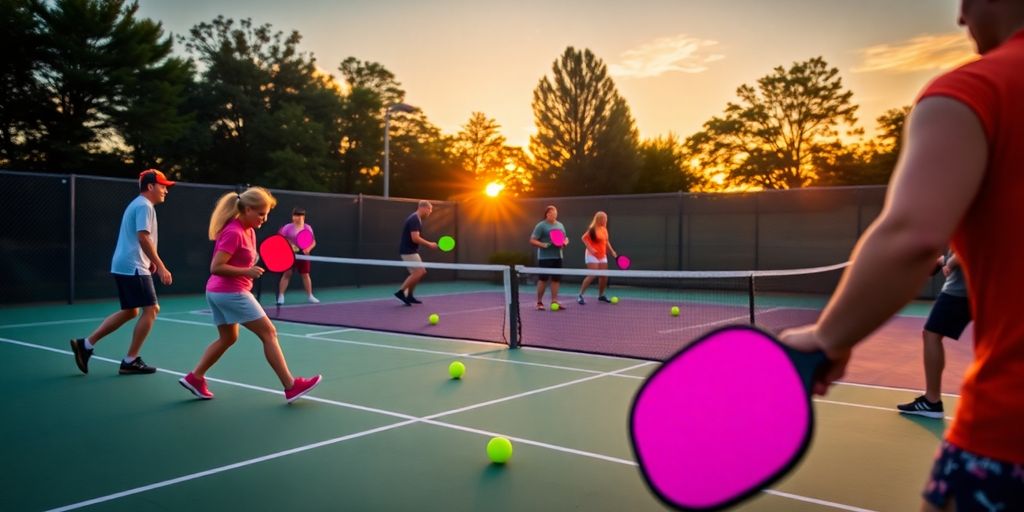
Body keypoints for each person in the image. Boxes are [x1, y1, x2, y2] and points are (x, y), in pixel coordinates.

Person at [779, 2, 1024, 509]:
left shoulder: (972, 91)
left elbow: (912, 234)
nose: (960, 19)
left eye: (966, 1)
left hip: (1009, 438)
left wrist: (830, 335)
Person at [178, 187, 322, 402]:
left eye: (266, 214)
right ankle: (291, 386)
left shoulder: (249, 231)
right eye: (260, 213)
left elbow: (245, 260)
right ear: (246, 209)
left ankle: (195, 378)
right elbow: (216, 266)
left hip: (219, 292)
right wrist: (246, 271)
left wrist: (251, 265)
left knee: (228, 337)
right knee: (269, 333)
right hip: (230, 292)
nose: (264, 219)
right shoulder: (233, 232)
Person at [70, 169, 175, 375]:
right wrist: (160, 265)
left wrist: (149, 261)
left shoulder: (138, 204)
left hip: (127, 264)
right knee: (152, 309)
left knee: (131, 311)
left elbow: (140, 239)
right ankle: (130, 360)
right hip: (133, 265)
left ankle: (86, 345)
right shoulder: (145, 206)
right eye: (162, 186)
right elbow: (143, 237)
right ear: (151, 186)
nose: (165, 190)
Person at [896, 251, 970, 418]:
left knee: (931, 334)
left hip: (961, 289)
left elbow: (974, 242)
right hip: (984, 285)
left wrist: (950, 263)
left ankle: (932, 401)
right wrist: (943, 260)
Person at [394, 200, 438, 306]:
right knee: (419, 272)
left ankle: (409, 296)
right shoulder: (414, 219)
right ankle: (401, 292)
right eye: (429, 210)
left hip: (411, 250)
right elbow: (415, 238)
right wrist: (429, 244)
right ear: (423, 208)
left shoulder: (416, 218)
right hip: (408, 251)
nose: (429, 212)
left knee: (417, 273)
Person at [276, 207, 319, 305]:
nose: (298, 217)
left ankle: (310, 296)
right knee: (287, 274)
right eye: (296, 215)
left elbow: (313, 242)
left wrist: (308, 249)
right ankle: (281, 296)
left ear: (303, 217)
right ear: (292, 217)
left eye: (300, 215)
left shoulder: (307, 228)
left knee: (305, 275)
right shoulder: (287, 227)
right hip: (289, 254)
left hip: (303, 255)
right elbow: (280, 239)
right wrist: (289, 246)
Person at [529, 205, 568, 310]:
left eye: (556, 213)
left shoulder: (560, 225)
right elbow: (532, 240)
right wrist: (542, 245)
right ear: (547, 214)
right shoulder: (541, 226)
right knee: (543, 279)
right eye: (552, 213)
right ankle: (539, 303)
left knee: (556, 279)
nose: (554, 215)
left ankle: (554, 301)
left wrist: (565, 242)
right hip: (545, 258)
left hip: (558, 256)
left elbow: (565, 238)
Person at [577, 211, 617, 305]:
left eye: (606, 218)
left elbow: (607, 242)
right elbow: (583, 238)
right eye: (604, 218)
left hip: (602, 255)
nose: (605, 220)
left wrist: (612, 251)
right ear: (599, 219)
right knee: (592, 274)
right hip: (592, 255)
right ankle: (580, 295)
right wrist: (591, 249)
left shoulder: (604, 229)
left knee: (604, 276)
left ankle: (601, 295)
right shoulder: (592, 229)